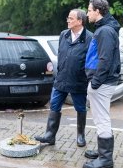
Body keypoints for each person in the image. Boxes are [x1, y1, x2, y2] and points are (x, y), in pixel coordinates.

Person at [35, 9, 93, 147]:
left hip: (79, 80)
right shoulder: (64, 34)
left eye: (71, 18)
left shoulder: (90, 37)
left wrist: (87, 77)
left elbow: (91, 60)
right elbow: (61, 55)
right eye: (68, 18)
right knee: (54, 105)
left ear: (80, 21)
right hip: (61, 79)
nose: (68, 20)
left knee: (80, 108)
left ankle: (80, 135)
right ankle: (50, 136)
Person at [83, 0, 120, 168]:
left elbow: (105, 59)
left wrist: (95, 82)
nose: (87, 13)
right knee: (101, 117)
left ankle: (105, 160)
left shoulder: (105, 31)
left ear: (98, 11)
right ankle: (102, 152)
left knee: (101, 119)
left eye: (89, 10)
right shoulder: (104, 28)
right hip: (103, 81)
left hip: (102, 83)